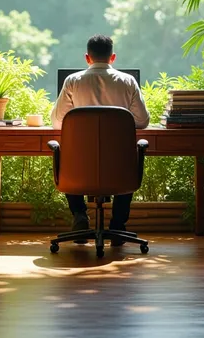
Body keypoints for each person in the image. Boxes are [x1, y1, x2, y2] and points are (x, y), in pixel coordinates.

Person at [51, 34, 150, 243]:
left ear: (87, 58)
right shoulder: (128, 81)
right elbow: (142, 121)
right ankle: (117, 226)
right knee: (126, 160)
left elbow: (58, 123)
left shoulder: (72, 81)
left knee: (70, 155)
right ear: (112, 57)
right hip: (119, 170)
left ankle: (79, 214)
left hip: (79, 171)